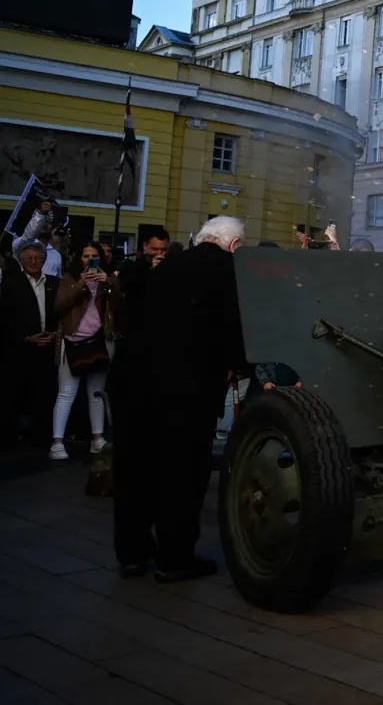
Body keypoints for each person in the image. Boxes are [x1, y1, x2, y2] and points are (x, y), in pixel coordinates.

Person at [145, 216, 248, 583]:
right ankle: (177, 557)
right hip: (197, 386)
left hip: (155, 382)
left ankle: (153, 550)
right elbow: (235, 325)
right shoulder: (228, 270)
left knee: (161, 465)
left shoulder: (167, 265)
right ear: (233, 245)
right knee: (188, 471)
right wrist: (238, 365)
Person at [110, 228, 168, 575]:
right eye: (153, 249)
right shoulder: (134, 273)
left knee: (138, 472)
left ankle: (136, 548)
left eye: (162, 249)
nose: (158, 254)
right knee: (133, 469)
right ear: (145, 248)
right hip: (136, 383)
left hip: (139, 382)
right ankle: (133, 550)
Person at [50, 241, 120, 460]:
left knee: (97, 393)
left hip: (100, 341)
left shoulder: (108, 280)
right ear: (78, 259)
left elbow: (119, 307)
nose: (90, 260)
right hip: (73, 341)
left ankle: (97, 439)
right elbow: (59, 307)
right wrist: (81, 285)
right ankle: (57, 443)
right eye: (86, 256)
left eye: (94, 256)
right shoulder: (68, 279)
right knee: (66, 392)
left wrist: (108, 283)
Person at [2, 240, 60, 449]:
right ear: (21, 260)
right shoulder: (10, 284)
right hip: (20, 349)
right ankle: (10, 439)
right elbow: (6, 318)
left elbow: (61, 313)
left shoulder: (55, 282)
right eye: (29, 259)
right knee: (14, 395)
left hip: (49, 346)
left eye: (38, 258)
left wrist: (55, 335)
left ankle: (41, 439)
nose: (34, 262)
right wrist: (26, 338)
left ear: (44, 260)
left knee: (44, 395)